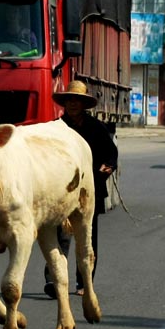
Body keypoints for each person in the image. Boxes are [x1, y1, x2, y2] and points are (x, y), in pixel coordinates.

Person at [44, 80, 118, 298]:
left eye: (77, 100)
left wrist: (109, 166)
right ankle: (53, 279)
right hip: (62, 191)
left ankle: (84, 281)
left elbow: (110, 153)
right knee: (59, 236)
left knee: (87, 238)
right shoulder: (55, 129)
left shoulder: (96, 128)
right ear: (65, 103)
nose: (73, 104)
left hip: (89, 191)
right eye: (69, 100)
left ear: (84, 104)